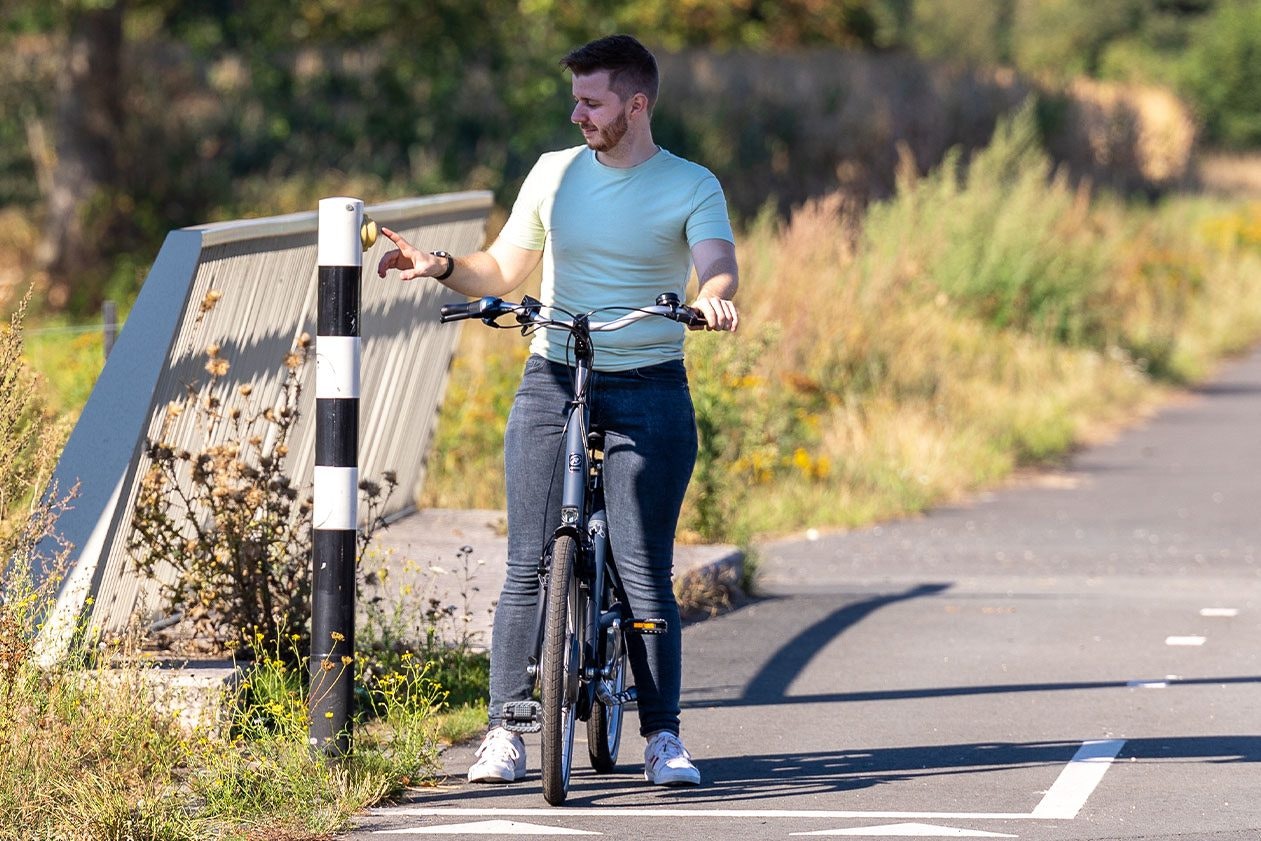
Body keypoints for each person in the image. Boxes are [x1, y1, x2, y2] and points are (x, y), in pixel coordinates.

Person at [377, 33, 739, 788]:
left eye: (591, 101)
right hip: (553, 374)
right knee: (528, 567)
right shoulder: (553, 174)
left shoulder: (690, 184)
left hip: (649, 385)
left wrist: (712, 301)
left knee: (644, 571)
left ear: (635, 106)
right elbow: (504, 267)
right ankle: (507, 731)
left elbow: (717, 262)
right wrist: (438, 265)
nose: (577, 114)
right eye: (574, 99)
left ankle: (663, 736)